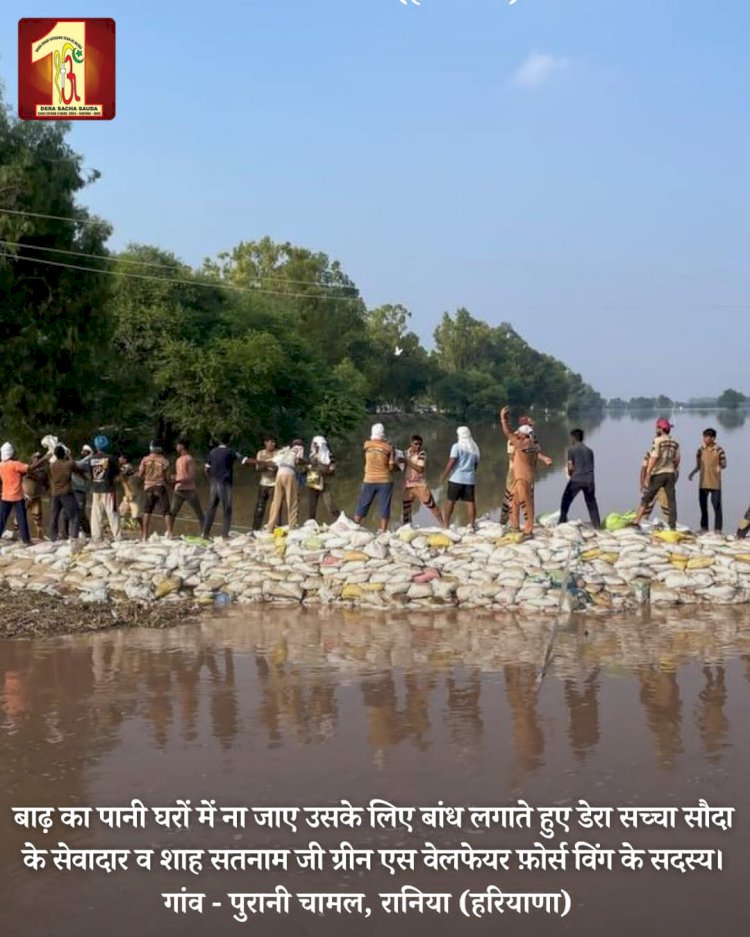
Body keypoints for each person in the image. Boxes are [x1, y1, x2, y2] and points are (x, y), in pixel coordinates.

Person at [500, 406, 552, 537]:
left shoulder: (522, 444)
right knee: (514, 502)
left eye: (519, 434)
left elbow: (508, 433)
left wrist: (503, 419)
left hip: (523, 478)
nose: (517, 435)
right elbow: (514, 435)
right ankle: (515, 526)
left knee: (526, 503)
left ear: (523, 435)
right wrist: (544, 458)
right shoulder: (534, 445)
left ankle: (528, 529)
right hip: (523, 478)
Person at [632, 418, 680, 530]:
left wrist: (648, 474)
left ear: (660, 429)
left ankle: (636, 521)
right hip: (670, 474)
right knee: (671, 501)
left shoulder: (657, 441)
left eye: (657, 428)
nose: (656, 430)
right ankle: (672, 526)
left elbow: (655, 457)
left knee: (646, 498)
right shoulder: (675, 442)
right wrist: (672, 468)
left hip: (659, 474)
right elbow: (677, 460)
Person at [202, 433, 250, 539]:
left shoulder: (212, 452)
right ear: (229, 440)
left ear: (219, 441)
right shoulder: (230, 451)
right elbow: (244, 461)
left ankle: (205, 534)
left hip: (214, 483)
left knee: (211, 508)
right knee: (227, 509)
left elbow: (206, 469)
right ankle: (225, 535)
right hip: (225, 483)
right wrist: (263, 463)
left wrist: (211, 480)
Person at [0, 443, 48, 546]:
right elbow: (30, 468)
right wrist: (44, 458)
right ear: (11, 453)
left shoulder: (1, 465)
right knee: (21, 519)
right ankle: (26, 540)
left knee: (2, 518)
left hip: (5, 496)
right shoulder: (15, 464)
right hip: (17, 497)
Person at [353, 423, 397, 534]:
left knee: (363, 503)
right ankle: (383, 530)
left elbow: (374, 447)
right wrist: (392, 451)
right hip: (385, 480)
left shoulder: (366, 445)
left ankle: (355, 526)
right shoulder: (389, 447)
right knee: (384, 505)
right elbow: (391, 467)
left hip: (369, 479)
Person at [559, 429, 601, 528]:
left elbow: (570, 466)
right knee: (591, 503)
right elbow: (591, 466)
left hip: (576, 479)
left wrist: (570, 474)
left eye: (571, 438)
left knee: (566, 499)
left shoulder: (571, 450)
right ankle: (597, 526)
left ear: (573, 438)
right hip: (590, 480)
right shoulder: (590, 451)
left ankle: (562, 521)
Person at [440, 426, 481, 529]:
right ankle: (472, 524)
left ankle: (446, 524)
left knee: (450, 501)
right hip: (469, 480)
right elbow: (476, 465)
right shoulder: (474, 448)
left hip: (456, 479)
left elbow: (452, 462)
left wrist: (443, 475)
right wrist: (470, 474)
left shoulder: (457, 446)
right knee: (470, 502)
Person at [688, 428, 726, 533]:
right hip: (703, 482)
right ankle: (704, 528)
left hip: (715, 483)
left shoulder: (719, 450)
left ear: (713, 438)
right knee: (703, 506)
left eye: (708, 437)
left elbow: (724, 463)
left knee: (717, 506)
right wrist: (692, 473)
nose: (705, 439)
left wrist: (720, 466)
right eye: (704, 436)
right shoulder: (700, 450)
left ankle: (718, 529)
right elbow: (698, 466)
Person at [402, 434, 444, 527]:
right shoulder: (406, 453)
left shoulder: (422, 454)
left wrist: (407, 461)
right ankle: (407, 527)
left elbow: (420, 469)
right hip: (408, 484)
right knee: (406, 508)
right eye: (416, 444)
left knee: (431, 505)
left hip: (419, 484)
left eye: (420, 444)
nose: (418, 446)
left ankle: (443, 525)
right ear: (411, 443)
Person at [500, 415, 535, 525]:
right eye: (531, 422)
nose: (533, 424)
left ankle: (525, 523)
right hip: (515, 472)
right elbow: (511, 456)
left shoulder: (529, 438)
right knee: (511, 497)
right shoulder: (516, 439)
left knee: (525, 498)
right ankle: (505, 521)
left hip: (526, 472)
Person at [264, 440, 305, 531]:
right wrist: (306, 462)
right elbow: (298, 460)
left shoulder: (285, 451)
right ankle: (292, 525)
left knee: (276, 501)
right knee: (292, 501)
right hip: (289, 474)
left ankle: (270, 526)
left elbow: (274, 462)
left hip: (279, 475)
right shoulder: (299, 449)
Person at [88, 435, 121, 541]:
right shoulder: (110, 458)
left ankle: (96, 537)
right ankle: (117, 537)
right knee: (112, 513)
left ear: (96, 446)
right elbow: (116, 473)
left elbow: (90, 474)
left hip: (96, 489)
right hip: (108, 489)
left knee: (96, 514)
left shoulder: (91, 459)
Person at [139, 441, 174, 540]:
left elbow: (140, 474)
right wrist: (171, 484)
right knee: (166, 512)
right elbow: (167, 477)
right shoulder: (164, 461)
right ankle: (170, 533)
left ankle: (144, 535)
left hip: (148, 488)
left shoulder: (145, 460)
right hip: (160, 487)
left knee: (147, 511)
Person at [48, 444, 81, 541]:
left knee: (54, 515)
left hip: (55, 493)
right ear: (63, 454)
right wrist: (69, 455)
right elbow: (76, 467)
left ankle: (53, 537)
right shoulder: (68, 464)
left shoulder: (52, 465)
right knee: (75, 515)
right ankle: (74, 537)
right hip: (66, 493)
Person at [171, 438, 205, 531]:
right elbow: (181, 474)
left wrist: (177, 480)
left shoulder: (189, 459)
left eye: (178, 445)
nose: (176, 447)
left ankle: (205, 533)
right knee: (172, 513)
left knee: (199, 513)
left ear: (182, 446)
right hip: (178, 490)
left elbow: (191, 476)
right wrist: (174, 478)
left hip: (189, 490)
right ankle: (169, 532)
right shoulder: (178, 460)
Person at [307, 435, 341, 523]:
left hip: (324, 482)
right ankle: (311, 522)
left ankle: (339, 520)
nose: (315, 446)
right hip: (313, 481)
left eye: (317, 444)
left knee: (329, 503)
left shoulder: (328, 456)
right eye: (314, 444)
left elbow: (332, 469)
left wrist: (324, 471)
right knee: (312, 504)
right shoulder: (312, 455)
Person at [640, 448, 672, 526]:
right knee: (644, 512)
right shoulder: (650, 453)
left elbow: (674, 470)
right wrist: (642, 484)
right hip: (651, 485)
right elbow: (643, 468)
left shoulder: (669, 453)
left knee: (668, 514)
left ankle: (670, 528)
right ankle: (641, 527)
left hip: (663, 488)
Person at [252, 436, 277, 530]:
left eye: (274, 442)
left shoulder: (277, 453)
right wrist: (268, 464)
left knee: (276, 507)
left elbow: (278, 467)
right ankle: (255, 528)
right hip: (264, 483)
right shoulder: (260, 453)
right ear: (266, 443)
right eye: (271, 442)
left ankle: (274, 527)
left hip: (275, 484)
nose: (273, 444)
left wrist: (267, 464)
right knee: (260, 507)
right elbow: (258, 468)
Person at [67, 444, 92, 537]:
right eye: (82, 451)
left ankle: (80, 532)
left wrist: (68, 456)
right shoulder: (81, 462)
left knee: (79, 512)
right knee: (78, 512)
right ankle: (86, 531)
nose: (82, 452)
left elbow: (75, 465)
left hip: (80, 489)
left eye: (85, 451)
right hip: (74, 489)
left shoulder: (87, 463)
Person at [21, 452, 47, 540]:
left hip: (36, 497)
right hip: (25, 497)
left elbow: (42, 480)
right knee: (19, 517)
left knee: (38, 518)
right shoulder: (26, 468)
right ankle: (16, 534)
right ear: (32, 459)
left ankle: (40, 536)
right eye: (35, 457)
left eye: (39, 458)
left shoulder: (42, 471)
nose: (37, 459)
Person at [118, 454, 143, 529]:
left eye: (121, 458)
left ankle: (143, 528)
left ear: (125, 460)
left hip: (130, 491)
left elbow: (121, 477)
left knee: (134, 510)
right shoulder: (129, 467)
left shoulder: (126, 467)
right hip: (131, 490)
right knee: (122, 511)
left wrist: (128, 490)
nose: (119, 459)